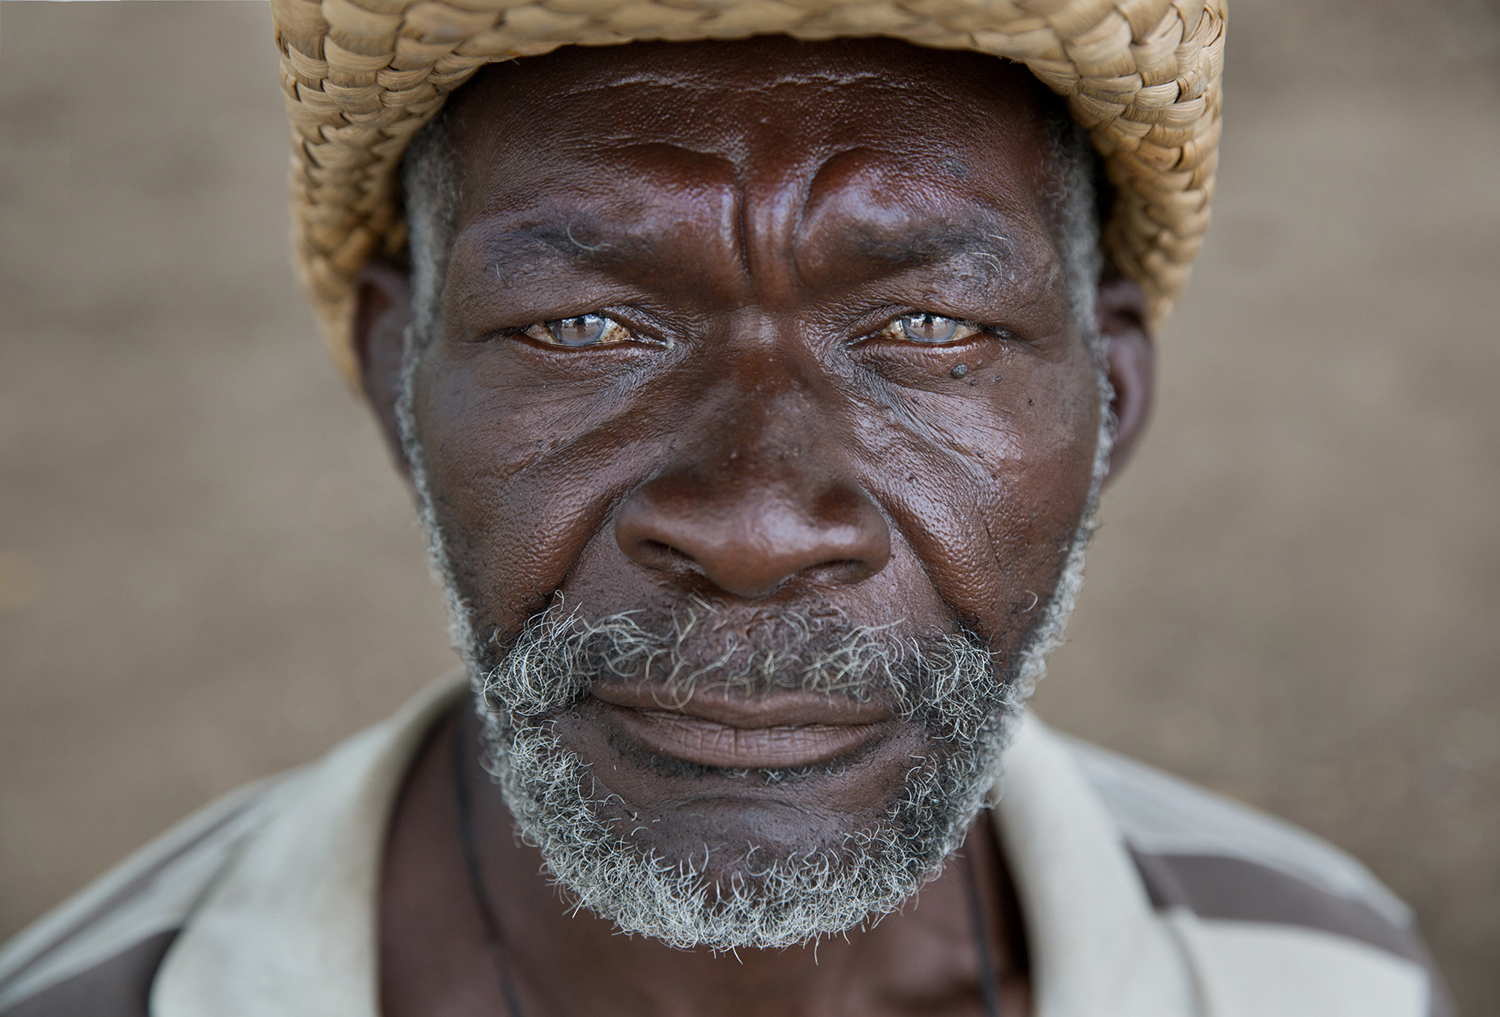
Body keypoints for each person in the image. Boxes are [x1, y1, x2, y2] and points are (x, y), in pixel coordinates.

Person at [0, 1, 1451, 1014]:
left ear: (1112, 398)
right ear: (398, 370)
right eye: (584, 326)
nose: (755, 526)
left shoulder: (1332, 980)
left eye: (929, 323)